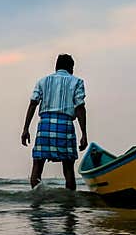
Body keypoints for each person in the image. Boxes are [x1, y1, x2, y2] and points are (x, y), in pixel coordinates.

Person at [20, 54, 88, 190]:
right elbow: (80, 107)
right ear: (71, 68)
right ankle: (69, 205)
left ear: (56, 66)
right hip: (65, 125)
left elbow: (33, 103)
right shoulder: (77, 82)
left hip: (44, 125)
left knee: (38, 165)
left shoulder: (42, 81)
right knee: (68, 168)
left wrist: (25, 129)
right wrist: (84, 134)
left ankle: (36, 202)